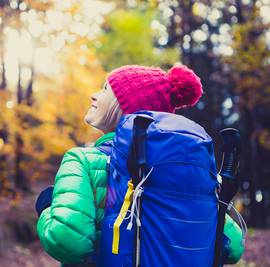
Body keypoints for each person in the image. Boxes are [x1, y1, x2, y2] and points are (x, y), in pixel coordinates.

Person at [35, 65, 244, 266]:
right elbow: (233, 246)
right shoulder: (186, 172)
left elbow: (67, 241)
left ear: (126, 106)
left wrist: (47, 207)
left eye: (105, 89)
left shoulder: (83, 161)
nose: (94, 95)